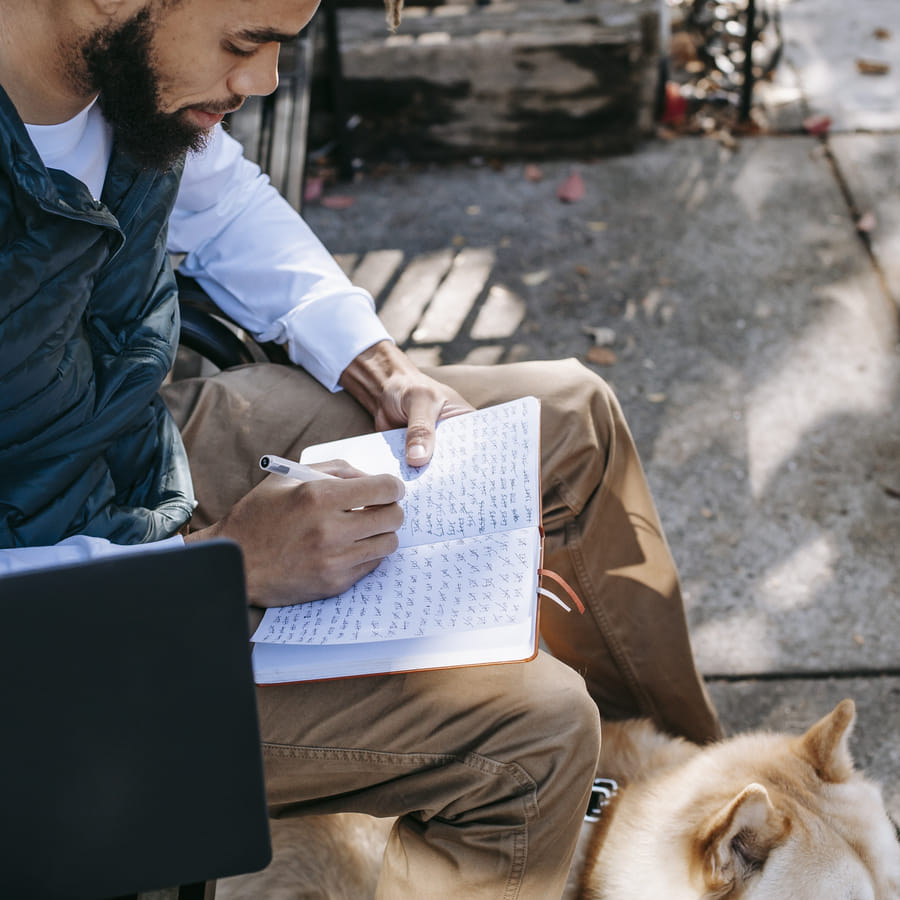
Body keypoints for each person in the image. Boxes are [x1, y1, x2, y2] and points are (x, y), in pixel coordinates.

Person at [0, 1, 721, 897]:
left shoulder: (119, 70)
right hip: (61, 646)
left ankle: (703, 796)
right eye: (244, 42)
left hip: (133, 454)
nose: (264, 80)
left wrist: (379, 367)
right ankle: (586, 808)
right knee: (533, 734)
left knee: (564, 418)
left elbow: (218, 204)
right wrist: (223, 566)